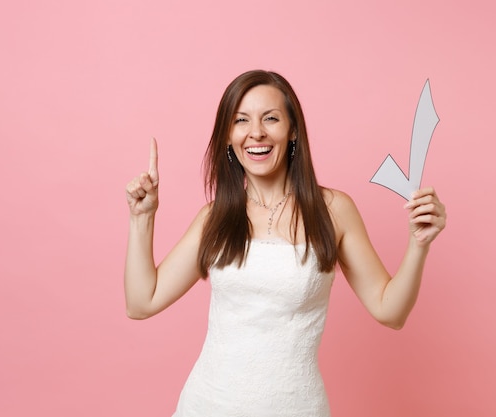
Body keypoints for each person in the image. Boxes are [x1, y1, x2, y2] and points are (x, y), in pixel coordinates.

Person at [124, 70, 447, 416]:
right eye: (241, 120)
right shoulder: (214, 218)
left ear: (293, 130)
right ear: (227, 137)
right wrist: (142, 218)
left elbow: (390, 311)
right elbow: (142, 302)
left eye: (271, 118)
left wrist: (418, 244)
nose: (256, 132)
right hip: (208, 404)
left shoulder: (333, 211)